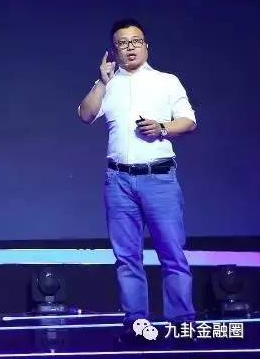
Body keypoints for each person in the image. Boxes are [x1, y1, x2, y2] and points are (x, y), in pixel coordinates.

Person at [78, 18, 197, 337]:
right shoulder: (108, 85)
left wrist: (162, 128)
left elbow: (188, 121)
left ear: (146, 46)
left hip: (158, 177)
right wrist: (101, 82)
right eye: (122, 43)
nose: (129, 48)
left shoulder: (166, 81)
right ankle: (136, 321)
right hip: (118, 181)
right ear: (113, 50)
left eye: (135, 41)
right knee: (127, 257)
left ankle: (181, 321)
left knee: (172, 252)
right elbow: (85, 115)